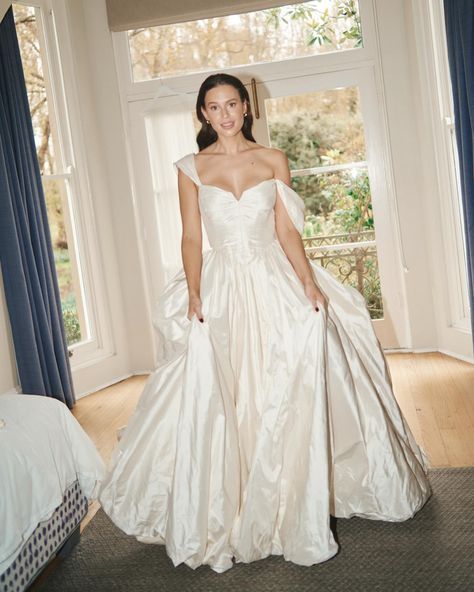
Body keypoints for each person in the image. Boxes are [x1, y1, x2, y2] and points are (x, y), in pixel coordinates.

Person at [99, 72, 431, 574]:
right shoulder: (191, 168)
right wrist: (192, 290)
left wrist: (308, 284)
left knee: (281, 384)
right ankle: (227, 503)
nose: (225, 114)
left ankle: (289, 499)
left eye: (232, 104)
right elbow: (191, 238)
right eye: (214, 107)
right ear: (203, 114)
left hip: (271, 278)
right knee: (223, 392)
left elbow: (286, 231)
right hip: (222, 286)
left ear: (246, 108)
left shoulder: (274, 160)